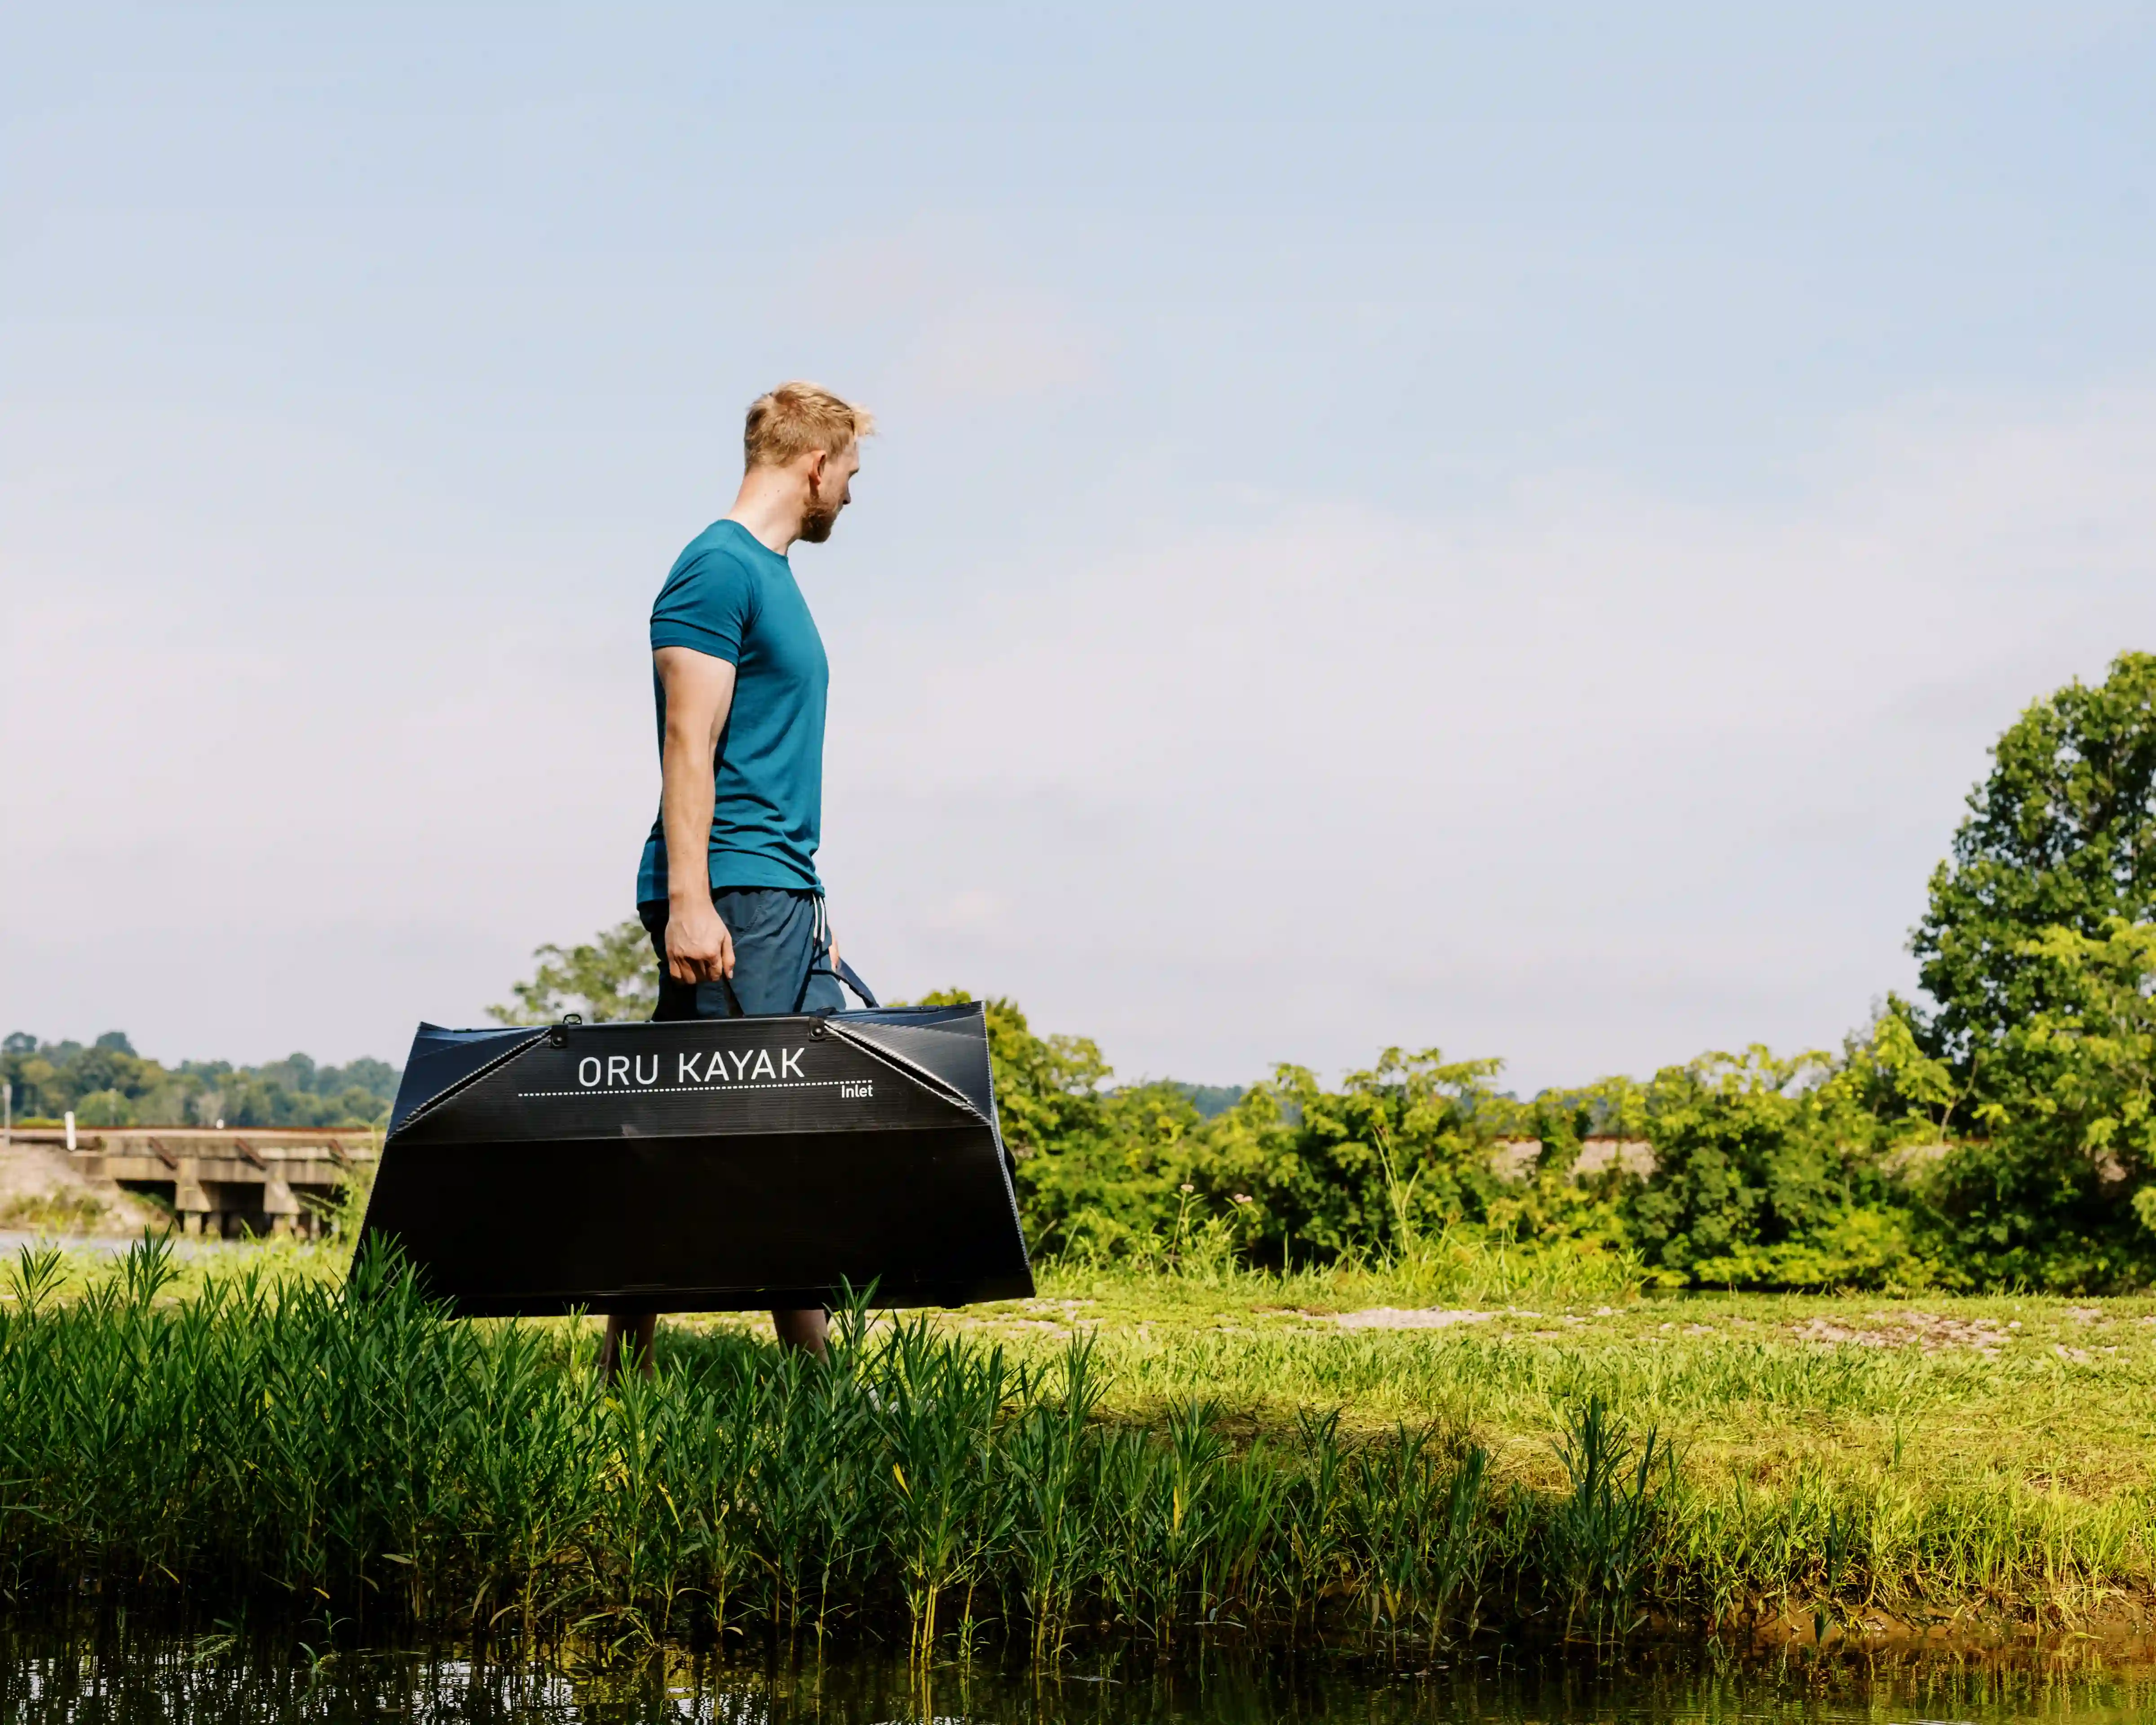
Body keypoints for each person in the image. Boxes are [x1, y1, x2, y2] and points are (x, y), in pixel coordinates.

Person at [600, 380, 874, 1384]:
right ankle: (818, 1385)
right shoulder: (716, 569)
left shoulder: (768, 574)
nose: (851, 493)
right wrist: (690, 899)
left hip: (774, 891)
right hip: (729, 891)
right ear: (814, 464)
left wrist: (814, 915)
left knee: (695, 1131)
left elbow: (769, 759)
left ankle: (627, 1366)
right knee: (766, 1138)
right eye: (850, 473)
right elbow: (689, 741)